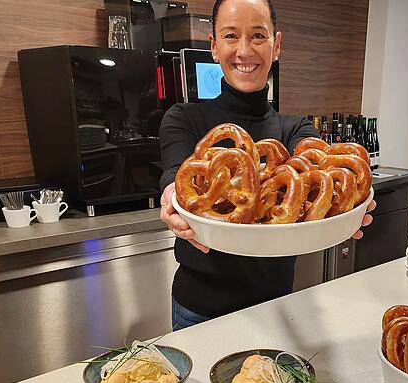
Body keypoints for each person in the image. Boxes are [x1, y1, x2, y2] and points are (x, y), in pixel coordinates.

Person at [158, 0, 375, 330]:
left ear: (277, 45)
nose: (244, 51)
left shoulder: (295, 130)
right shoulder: (183, 119)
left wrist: (347, 213)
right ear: (214, 47)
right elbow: (177, 179)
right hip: (198, 309)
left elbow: (324, 178)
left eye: (258, 36)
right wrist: (172, 200)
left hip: (279, 306)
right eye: (231, 36)